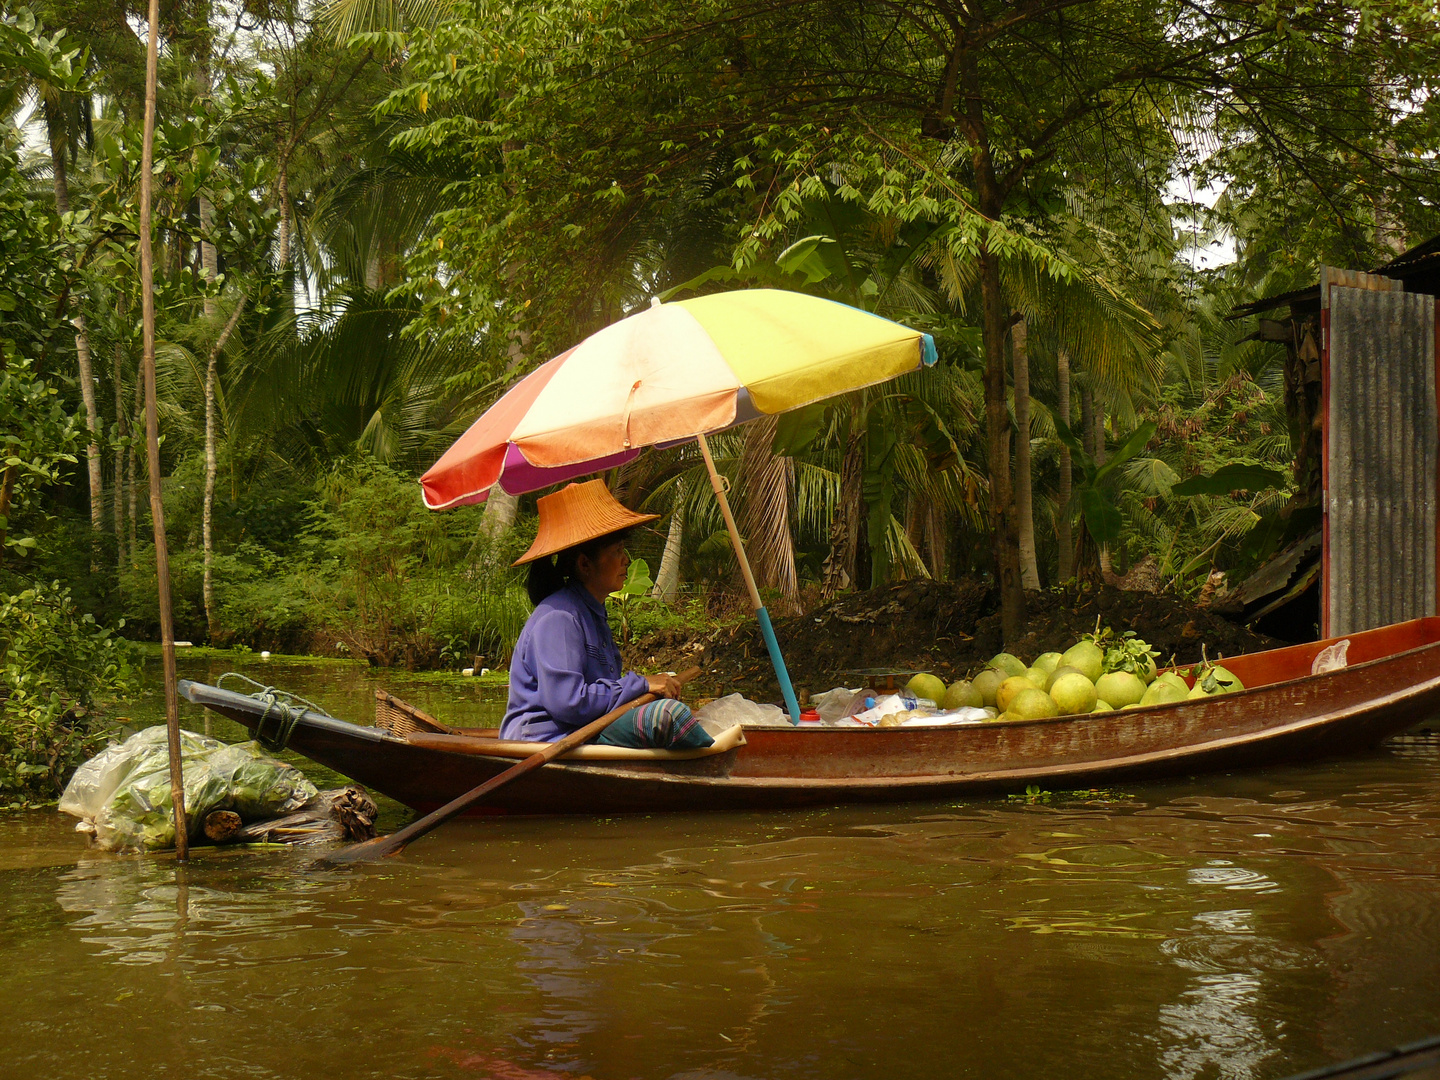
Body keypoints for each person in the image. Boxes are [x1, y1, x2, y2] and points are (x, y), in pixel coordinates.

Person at [500, 480, 713, 750]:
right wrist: (642, 684)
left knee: (670, 712)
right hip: (546, 740)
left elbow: (602, 692)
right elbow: (568, 703)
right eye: (617, 552)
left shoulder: (592, 612)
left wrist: (646, 687)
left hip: (584, 730)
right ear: (585, 564)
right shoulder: (559, 618)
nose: (626, 560)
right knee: (667, 716)